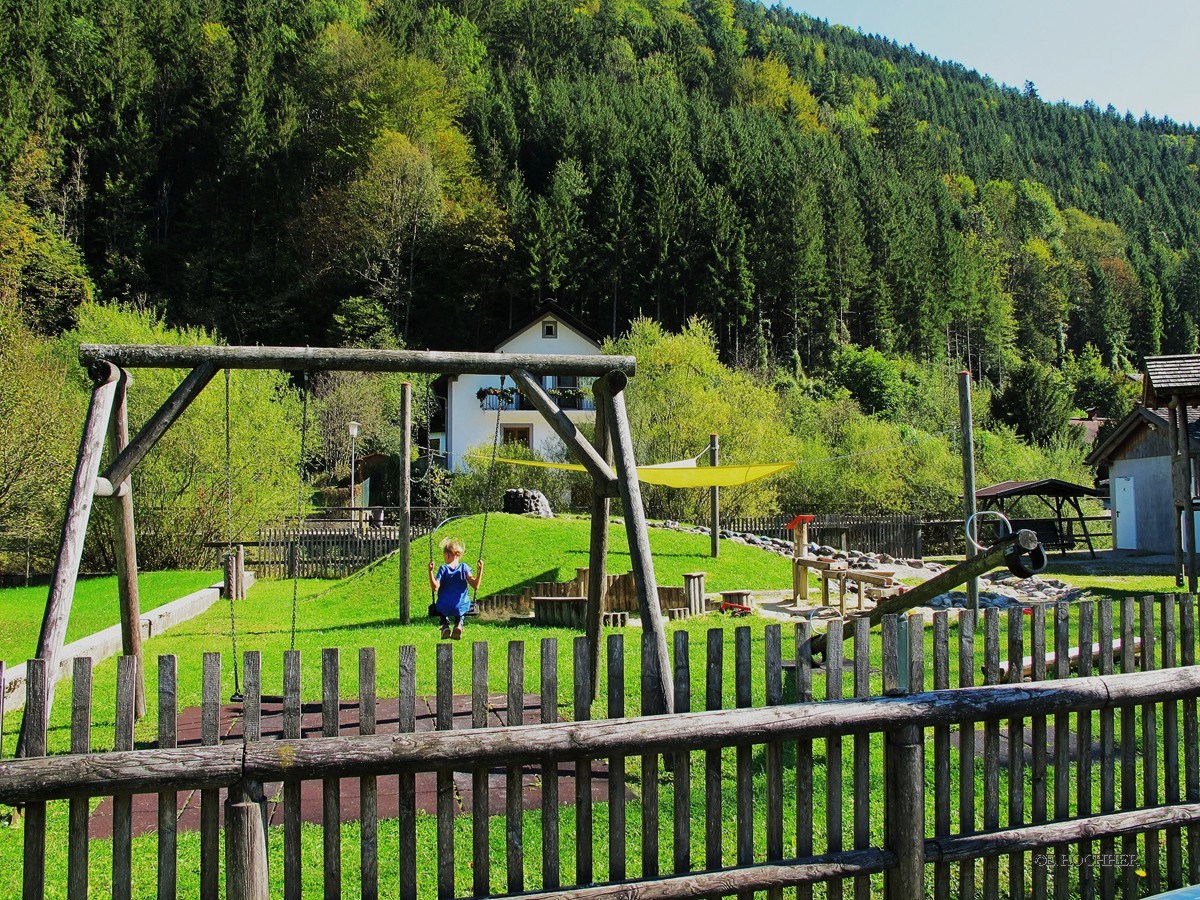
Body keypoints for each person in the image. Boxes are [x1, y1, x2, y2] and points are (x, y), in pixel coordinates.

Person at [428, 536, 483, 640]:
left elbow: (435, 587)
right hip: (460, 607)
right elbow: (476, 586)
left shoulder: (443, 569)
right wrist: (480, 570)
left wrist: (430, 571)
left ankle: (444, 626)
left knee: (442, 606)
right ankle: (459, 624)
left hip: (443, 607)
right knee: (462, 605)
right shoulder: (464, 568)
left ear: (448, 555)